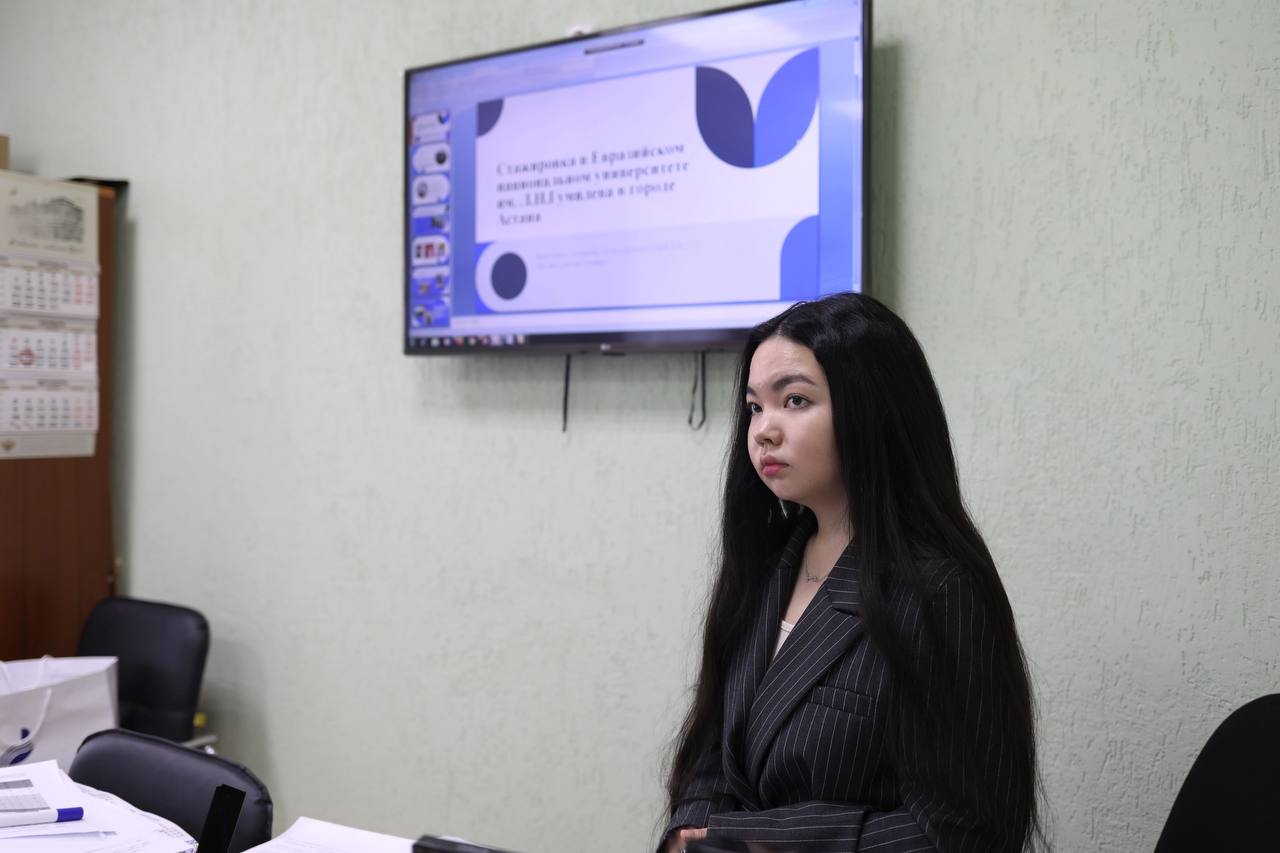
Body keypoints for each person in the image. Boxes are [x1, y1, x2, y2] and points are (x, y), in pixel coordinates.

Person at [661, 293, 1040, 852]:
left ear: (873, 409)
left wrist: (748, 842)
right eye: (755, 407)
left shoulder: (939, 589)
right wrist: (688, 833)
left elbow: (965, 832)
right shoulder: (764, 566)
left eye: (794, 400)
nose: (763, 430)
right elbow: (714, 749)